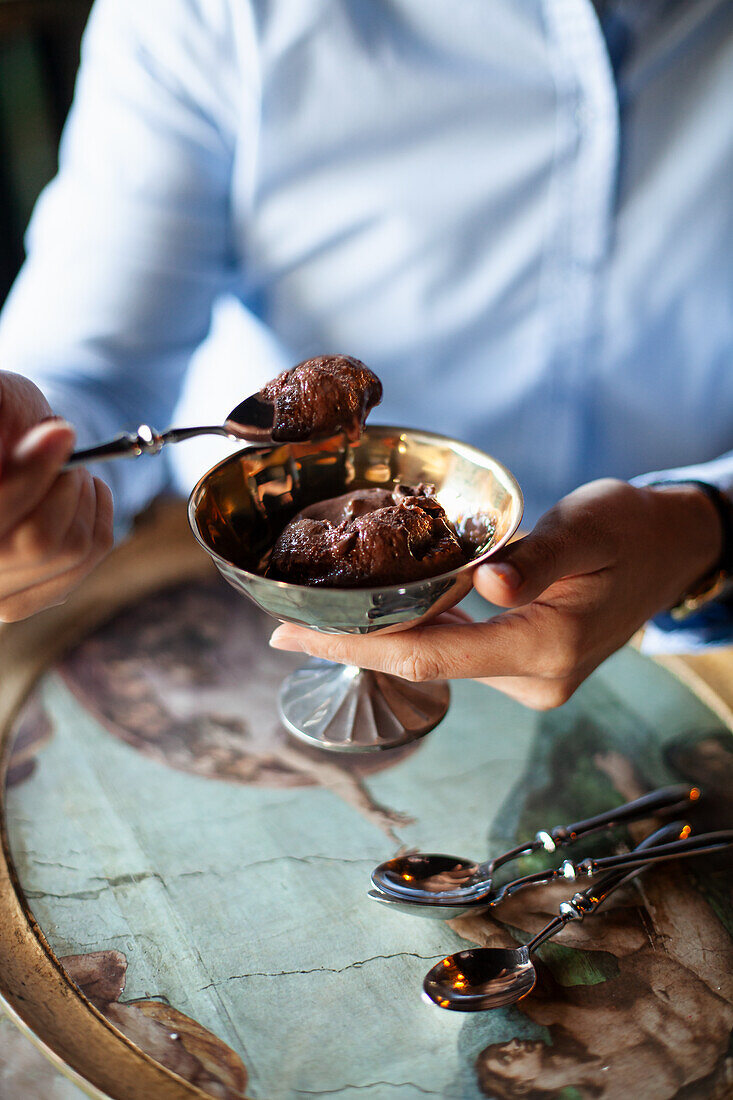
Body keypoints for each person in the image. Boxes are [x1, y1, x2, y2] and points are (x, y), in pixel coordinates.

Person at [0, 0, 731, 709]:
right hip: (235, 584)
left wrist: (704, 522)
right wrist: (28, 455)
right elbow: (94, 363)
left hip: (688, 597)